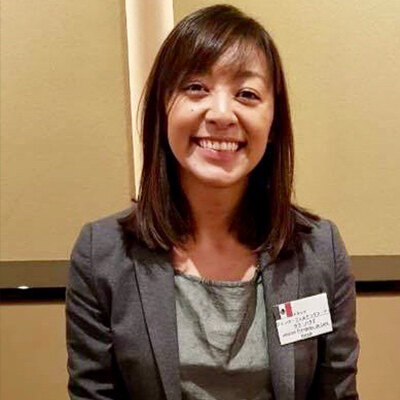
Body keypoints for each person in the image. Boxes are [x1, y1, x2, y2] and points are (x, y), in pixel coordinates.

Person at [66, 4, 359, 400]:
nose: (221, 114)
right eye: (196, 87)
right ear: (162, 109)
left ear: (274, 122)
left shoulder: (319, 251)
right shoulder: (102, 255)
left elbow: (337, 393)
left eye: (247, 94)